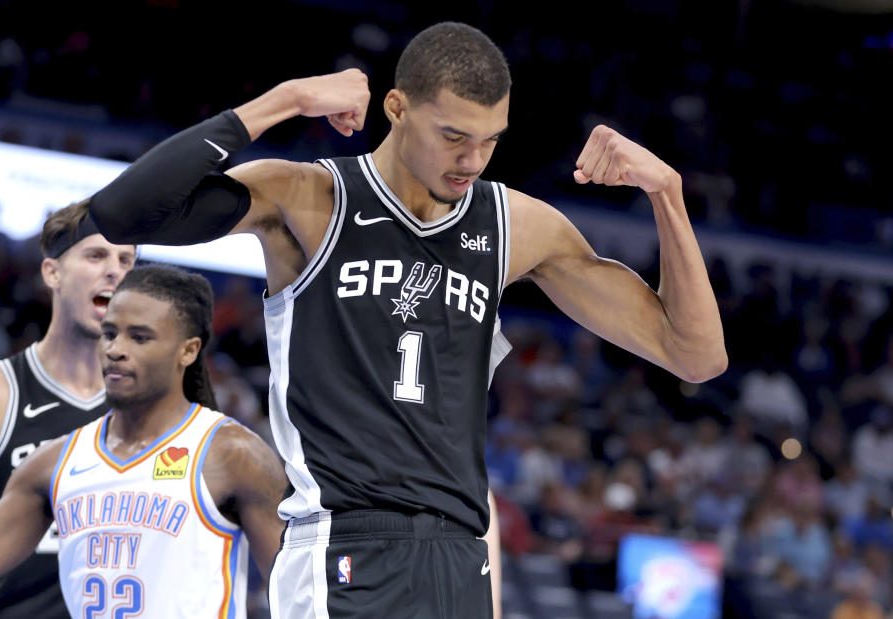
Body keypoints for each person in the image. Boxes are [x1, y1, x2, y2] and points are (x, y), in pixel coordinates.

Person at [88, 21, 727, 617]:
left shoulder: (517, 226)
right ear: (397, 109)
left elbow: (696, 356)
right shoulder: (311, 197)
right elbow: (124, 213)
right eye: (453, 136)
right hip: (345, 540)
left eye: (490, 140)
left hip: (460, 557)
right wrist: (284, 100)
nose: (473, 159)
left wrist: (666, 194)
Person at [0, 265, 288, 617]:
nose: (116, 349)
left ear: (188, 350)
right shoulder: (53, 463)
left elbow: (298, 595)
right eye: (110, 333)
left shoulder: (233, 455)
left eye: (140, 337)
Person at [0, 204, 135, 619]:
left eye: (126, 259)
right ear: (52, 273)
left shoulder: (156, 406)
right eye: (96, 256)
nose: (114, 270)